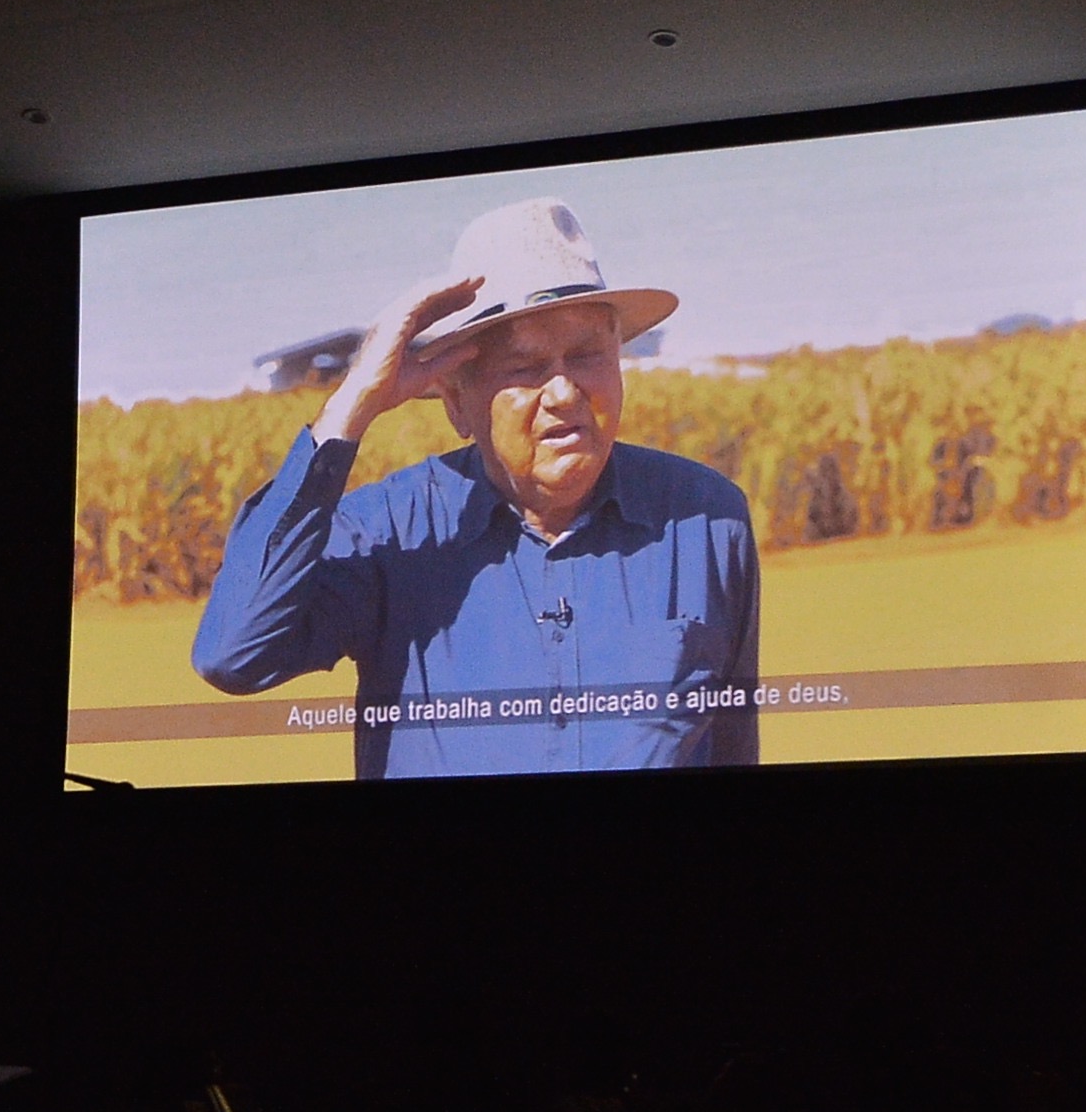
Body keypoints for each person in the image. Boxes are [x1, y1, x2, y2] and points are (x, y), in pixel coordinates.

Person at [192, 199, 760, 778]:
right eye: (525, 367)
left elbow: (733, 743)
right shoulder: (391, 532)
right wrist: (351, 405)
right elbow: (235, 654)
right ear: (457, 402)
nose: (564, 393)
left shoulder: (706, 518)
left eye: (587, 356)